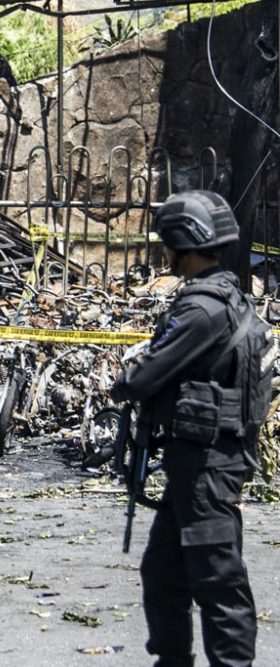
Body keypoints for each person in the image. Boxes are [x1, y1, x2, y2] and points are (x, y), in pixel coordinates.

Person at [110, 190, 259, 667]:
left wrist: (124, 382)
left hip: (207, 465)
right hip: (194, 463)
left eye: (168, 243)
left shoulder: (202, 308)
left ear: (184, 242)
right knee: (163, 573)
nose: (165, 253)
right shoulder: (224, 293)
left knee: (218, 581)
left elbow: (142, 377)